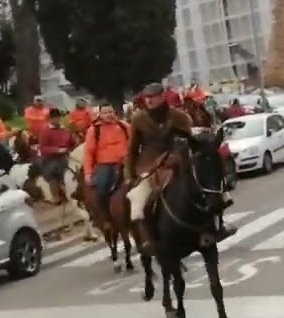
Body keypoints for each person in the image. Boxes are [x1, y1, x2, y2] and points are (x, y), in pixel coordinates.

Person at [125, 83, 217, 253]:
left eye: (153, 97)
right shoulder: (138, 119)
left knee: (205, 191)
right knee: (139, 200)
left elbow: (188, 141)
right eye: (147, 98)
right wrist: (129, 175)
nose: (149, 100)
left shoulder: (179, 116)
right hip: (149, 165)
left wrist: (178, 156)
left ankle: (211, 230)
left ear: (162, 97)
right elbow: (132, 149)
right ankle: (150, 240)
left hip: (176, 160)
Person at [83, 105, 130, 219]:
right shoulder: (94, 130)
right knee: (102, 189)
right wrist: (88, 173)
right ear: (100, 115)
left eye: (110, 112)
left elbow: (133, 142)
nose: (108, 115)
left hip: (127, 162)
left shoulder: (124, 126)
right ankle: (106, 217)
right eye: (105, 113)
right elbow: (88, 153)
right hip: (106, 165)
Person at [37, 109, 77, 198]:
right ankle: (56, 197)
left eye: (59, 117)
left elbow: (70, 141)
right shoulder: (45, 131)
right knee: (53, 173)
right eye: (56, 118)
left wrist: (73, 141)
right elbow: (43, 148)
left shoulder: (64, 128)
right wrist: (58, 150)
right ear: (50, 119)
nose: (58, 119)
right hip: (51, 158)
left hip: (65, 155)